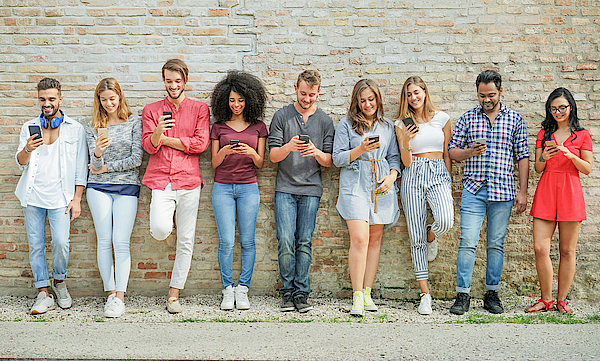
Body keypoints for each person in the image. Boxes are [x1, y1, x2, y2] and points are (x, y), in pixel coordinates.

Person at [448, 70, 529, 315]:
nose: (486, 100)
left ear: (500, 92)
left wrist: (523, 191)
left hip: (503, 191)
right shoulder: (467, 118)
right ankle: (462, 294)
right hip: (474, 189)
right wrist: (470, 152)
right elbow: (452, 152)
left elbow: (522, 157)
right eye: (482, 95)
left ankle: (491, 293)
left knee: (495, 244)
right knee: (467, 243)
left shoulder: (515, 119)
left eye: (491, 95)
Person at [142, 59, 210, 314]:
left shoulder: (200, 109)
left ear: (185, 81)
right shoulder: (151, 110)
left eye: (178, 81)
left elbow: (200, 144)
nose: (173, 85)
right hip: (161, 179)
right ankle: (169, 233)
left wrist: (164, 140)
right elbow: (149, 146)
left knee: (187, 240)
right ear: (164, 81)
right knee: (160, 229)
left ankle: (174, 294)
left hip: (189, 180)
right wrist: (158, 132)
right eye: (169, 81)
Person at [15, 78, 87, 314]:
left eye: (51, 99)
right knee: (36, 245)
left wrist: (77, 198)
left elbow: (80, 168)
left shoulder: (75, 129)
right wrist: (27, 149)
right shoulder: (29, 127)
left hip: (61, 198)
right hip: (32, 195)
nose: (47, 103)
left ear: (60, 99)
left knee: (60, 243)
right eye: (43, 99)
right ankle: (43, 292)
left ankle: (59, 281)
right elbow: (20, 163)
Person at [268, 70, 335, 313]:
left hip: (311, 189)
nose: (307, 99)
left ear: (319, 92)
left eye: (312, 95)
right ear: (295, 88)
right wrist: (289, 146)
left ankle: (301, 293)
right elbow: (273, 156)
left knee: (304, 241)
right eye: (303, 93)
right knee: (286, 240)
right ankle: (286, 291)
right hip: (285, 187)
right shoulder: (281, 116)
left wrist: (316, 152)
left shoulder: (326, 121)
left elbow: (329, 161)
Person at [333, 79, 400, 317]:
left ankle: (368, 291)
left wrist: (392, 176)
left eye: (371, 99)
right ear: (356, 102)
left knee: (375, 239)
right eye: (363, 100)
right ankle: (357, 295)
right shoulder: (345, 125)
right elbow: (337, 159)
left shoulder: (387, 126)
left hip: (381, 183)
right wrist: (360, 149)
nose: (367, 104)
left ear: (378, 99)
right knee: (359, 239)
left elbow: (394, 157)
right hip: (354, 183)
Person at [525, 88, 593, 314]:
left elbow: (587, 169)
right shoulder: (544, 133)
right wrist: (544, 155)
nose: (558, 112)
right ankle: (545, 300)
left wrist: (572, 155)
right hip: (547, 189)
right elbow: (537, 168)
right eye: (553, 109)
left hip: (570, 191)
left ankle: (561, 300)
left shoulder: (582, 135)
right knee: (539, 248)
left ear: (570, 107)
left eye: (562, 107)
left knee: (567, 250)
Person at [394, 76, 454, 315]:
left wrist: (448, 179)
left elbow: (447, 153)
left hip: (438, 172)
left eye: (417, 92)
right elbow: (406, 162)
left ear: (425, 92)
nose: (413, 98)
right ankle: (425, 294)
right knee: (414, 237)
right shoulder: (401, 124)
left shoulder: (442, 118)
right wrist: (407, 139)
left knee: (445, 220)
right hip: (414, 174)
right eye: (409, 94)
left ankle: (432, 235)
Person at [210, 71, 268, 310]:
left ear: (250, 99)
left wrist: (250, 152)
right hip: (222, 187)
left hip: (248, 188)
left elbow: (261, 163)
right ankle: (227, 289)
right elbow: (214, 163)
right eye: (232, 100)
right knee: (226, 242)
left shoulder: (259, 127)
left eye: (241, 100)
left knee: (247, 241)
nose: (236, 105)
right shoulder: (218, 127)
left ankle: (243, 288)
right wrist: (225, 152)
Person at [86, 78, 143, 318]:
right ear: (98, 101)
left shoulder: (134, 122)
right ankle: (110, 294)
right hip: (97, 189)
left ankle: (120, 297)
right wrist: (98, 152)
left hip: (127, 188)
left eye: (112, 98)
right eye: (103, 99)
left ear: (119, 97)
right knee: (104, 239)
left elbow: (136, 159)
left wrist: (106, 167)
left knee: (121, 241)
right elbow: (93, 165)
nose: (108, 103)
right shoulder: (92, 126)